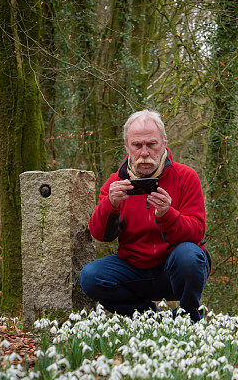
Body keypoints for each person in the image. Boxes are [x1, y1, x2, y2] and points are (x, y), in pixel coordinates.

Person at [79, 110, 210, 321]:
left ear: (164, 142)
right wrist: (110, 204)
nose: (144, 153)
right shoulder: (115, 183)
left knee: (190, 255)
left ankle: (188, 316)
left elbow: (196, 233)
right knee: (90, 276)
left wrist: (168, 215)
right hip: (134, 270)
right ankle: (148, 317)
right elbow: (100, 234)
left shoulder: (185, 177)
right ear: (127, 147)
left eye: (151, 144)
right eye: (137, 145)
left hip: (174, 268)